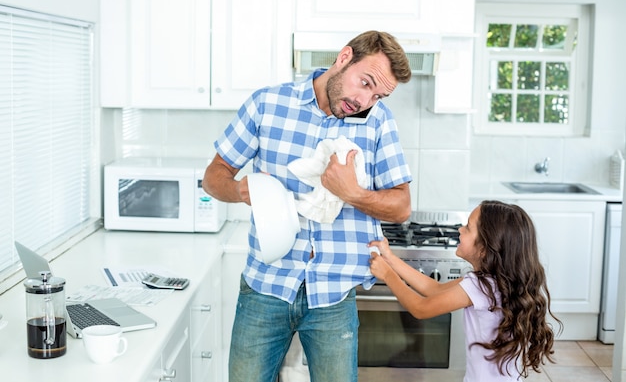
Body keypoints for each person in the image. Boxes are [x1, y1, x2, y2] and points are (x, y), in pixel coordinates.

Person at [203, 30, 413, 382]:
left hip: (334, 295)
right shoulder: (267, 105)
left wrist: (353, 193)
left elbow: (402, 206)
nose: (364, 100)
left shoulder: (379, 121)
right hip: (265, 287)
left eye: (377, 94)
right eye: (364, 83)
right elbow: (213, 176)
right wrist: (242, 190)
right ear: (344, 57)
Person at [369, 200, 563, 382]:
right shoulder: (495, 282)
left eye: (468, 227)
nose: (460, 230)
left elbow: (421, 308)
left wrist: (388, 275)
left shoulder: (480, 286)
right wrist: (391, 258)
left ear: (484, 249)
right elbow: (434, 289)